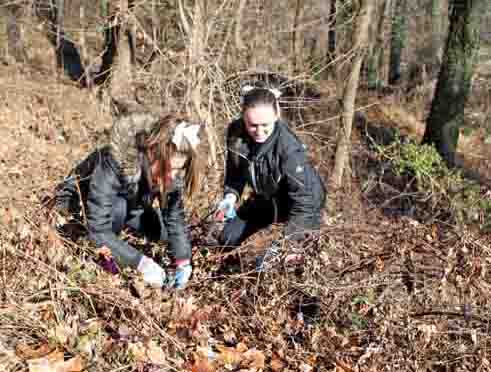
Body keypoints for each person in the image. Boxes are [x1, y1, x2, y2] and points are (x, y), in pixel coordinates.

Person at [55, 112, 202, 288]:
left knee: (162, 231)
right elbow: (98, 228)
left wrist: (183, 261)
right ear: (152, 151)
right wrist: (139, 262)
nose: (173, 176)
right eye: (169, 168)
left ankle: (118, 243)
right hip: (81, 206)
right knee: (118, 209)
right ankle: (106, 262)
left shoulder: (169, 172)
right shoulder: (117, 159)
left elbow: (175, 218)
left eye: (179, 169)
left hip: (130, 203)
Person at [215, 85, 326, 271]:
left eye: (265, 125)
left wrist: (288, 243)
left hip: (303, 204)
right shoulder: (236, 134)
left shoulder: (288, 148)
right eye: (253, 125)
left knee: (268, 265)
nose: (259, 132)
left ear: (277, 115)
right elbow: (235, 174)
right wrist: (230, 196)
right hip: (267, 197)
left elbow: (304, 203)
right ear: (243, 117)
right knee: (227, 238)